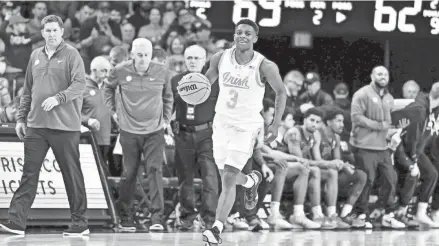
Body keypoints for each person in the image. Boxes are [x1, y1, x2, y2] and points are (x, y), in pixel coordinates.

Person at [181, 19, 287, 245]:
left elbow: (281, 92)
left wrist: (275, 124)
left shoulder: (264, 65)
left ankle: (216, 229)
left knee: (228, 177)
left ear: (255, 38)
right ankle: (250, 182)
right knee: (226, 176)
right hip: (221, 123)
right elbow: (206, 83)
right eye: (239, 32)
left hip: (246, 127)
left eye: (248, 33)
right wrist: (192, 87)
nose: (243, 36)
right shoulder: (220, 58)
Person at [0, 15, 89, 236]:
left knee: (71, 175)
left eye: (55, 30)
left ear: (62, 32)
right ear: (42, 33)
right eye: (47, 31)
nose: (51, 34)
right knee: (28, 174)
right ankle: (16, 222)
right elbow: (28, 90)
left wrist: (58, 98)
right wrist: (21, 118)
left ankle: (80, 223)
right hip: (36, 125)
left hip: (65, 127)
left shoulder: (72, 54)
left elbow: (80, 85)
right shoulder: (35, 55)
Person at [104, 38, 173, 232]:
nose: (143, 59)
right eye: (139, 55)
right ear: (132, 54)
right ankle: (126, 218)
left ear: (151, 55)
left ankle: (157, 218)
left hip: (155, 131)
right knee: (129, 173)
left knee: (154, 170)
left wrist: (166, 119)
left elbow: (168, 96)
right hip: (128, 130)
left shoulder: (162, 71)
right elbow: (107, 89)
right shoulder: (120, 70)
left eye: (146, 55)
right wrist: (113, 112)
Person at [350, 66, 405, 229]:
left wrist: (393, 131)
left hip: (382, 147)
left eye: (386, 74)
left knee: (390, 178)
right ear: (371, 75)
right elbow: (356, 117)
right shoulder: (362, 94)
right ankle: (360, 215)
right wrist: (379, 126)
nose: (383, 77)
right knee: (367, 181)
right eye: (379, 74)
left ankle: (388, 215)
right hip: (364, 146)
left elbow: (386, 124)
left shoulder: (388, 97)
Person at [171, 45, 219, 230]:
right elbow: (169, 106)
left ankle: (210, 218)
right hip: (183, 134)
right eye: (189, 58)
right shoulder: (175, 80)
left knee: (210, 177)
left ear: (204, 59)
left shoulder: (215, 81)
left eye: (196, 58)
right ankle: (187, 217)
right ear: (184, 59)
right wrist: (168, 123)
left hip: (207, 135)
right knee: (185, 179)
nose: (192, 61)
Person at [260, 101, 320, 229]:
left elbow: (272, 152)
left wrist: (297, 159)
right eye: (271, 114)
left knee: (303, 168)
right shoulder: (259, 129)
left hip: (272, 165)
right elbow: (266, 152)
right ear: (262, 114)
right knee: (283, 166)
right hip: (259, 165)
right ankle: (274, 214)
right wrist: (296, 158)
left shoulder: (270, 131)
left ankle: (298, 214)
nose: (274, 118)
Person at [286, 107, 344, 229]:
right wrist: (328, 164)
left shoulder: (314, 136)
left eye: (317, 122)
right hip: (286, 169)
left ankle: (331, 213)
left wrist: (332, 164)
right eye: (312, 120)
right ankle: (317, 214)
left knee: (331, 173)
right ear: (304, 120)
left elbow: (317, 160)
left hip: (303, 170)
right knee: (316, 170)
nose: (314, 124)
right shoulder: (294, 133)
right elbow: (301, 161)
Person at [312, 107, 367, 228]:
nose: (342, 124)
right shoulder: (317, 134)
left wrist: (344, 165)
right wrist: (337, 164)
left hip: (331, 171)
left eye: (342, 121)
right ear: (328, 122)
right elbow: (316, 160)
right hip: (316, 171)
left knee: (360, 175)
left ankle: (344, 213)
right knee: (333, 172)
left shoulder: (336, 137)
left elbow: (337, 159)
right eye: (338, 121)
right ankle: (331, 214)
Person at [81, 56, 112, 166]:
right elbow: (71, 113)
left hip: (106, 139)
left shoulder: (109, 89)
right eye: (104, 71)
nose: (107, 74)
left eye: (108, 71)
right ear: (94, 70)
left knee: (103, 175)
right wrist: (87, 120)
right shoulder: (81, 88)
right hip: (86, 140)